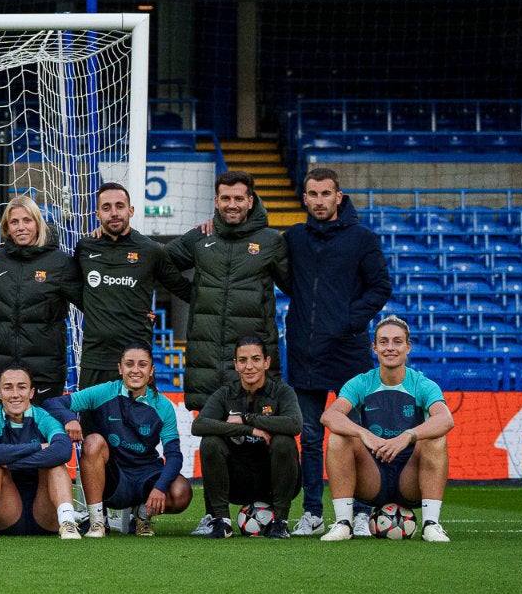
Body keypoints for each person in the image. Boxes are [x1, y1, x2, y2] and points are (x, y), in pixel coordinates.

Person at [280, 167, 391, 535]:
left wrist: (348, 320)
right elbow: (284, 279)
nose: (319, 201)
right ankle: (312, 512)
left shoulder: (363, 239)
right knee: (310, 438)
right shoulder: (293, 238)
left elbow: (380, 287)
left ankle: (360, 511)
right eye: (312, 194)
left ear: (338, 197)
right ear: (305, 198)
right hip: (304, 352)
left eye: (326, 194)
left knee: (357, 433)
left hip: (348, 353)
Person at [318, 317, 452, 543]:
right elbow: (329, 415)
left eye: (397, 342)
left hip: (410, 480)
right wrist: (364, 433)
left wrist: (408, 436)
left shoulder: (422, 383)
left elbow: (446, 419)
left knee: (436, 439)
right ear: (375, 347)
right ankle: (343, 523)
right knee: (338, 438)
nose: (390, 347)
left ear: (408, 347)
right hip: (373, 477)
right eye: (384, 342)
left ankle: (431, 524)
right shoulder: (361, 382)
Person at [166, 169, 290, 409]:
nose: (231, 205)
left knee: (258, 442)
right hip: (207, 371)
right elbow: (159, 261)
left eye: (238, 198)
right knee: (212, 444)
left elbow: (295, 286)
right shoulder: (201, 237)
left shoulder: (271, 241)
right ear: (216, 201)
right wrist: (191, 293)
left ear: (250, 201)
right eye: (225, 198)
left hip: (252, 372)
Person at [59, 347, 193, 539]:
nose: (136, 370)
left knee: (181, 492)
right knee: (93, 441)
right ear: (120, 368)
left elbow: (174, 455)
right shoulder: (105, 391)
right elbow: (55, 404)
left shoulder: (163, 406)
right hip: (112, 478)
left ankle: (142, 514)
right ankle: (97, 521)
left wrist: (160, 486)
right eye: (129, 364)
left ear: (152, 371)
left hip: (146, 475)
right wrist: (68, 419)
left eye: (142, 365)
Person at [69, 181, 188, 387]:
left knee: (139, 419)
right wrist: (98, 308)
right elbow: (75, 290)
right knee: (89, 420)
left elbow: (183, 289)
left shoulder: (151, 250)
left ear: (131, 210)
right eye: (106, 208)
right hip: (95, 358)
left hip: (136, 361)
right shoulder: (85, 248)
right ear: (97, 215)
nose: (114, 213)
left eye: (120, 206)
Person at [190, 336, 302, 540]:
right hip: (238, 482)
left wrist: (247, 419)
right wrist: (248, 431)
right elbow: (199, 425)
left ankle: (281, 523)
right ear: (235, 364)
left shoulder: (282, 392)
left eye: (256, 359)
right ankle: (221, 522)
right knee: (210, 442)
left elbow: (294, 424)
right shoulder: (225, 394)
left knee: (284, 442)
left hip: (273, 481)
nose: (249, 366)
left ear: (266, 362)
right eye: (242, 360)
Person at [0, 368, 77, 540]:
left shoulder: (44, 417)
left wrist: (10, 463)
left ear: (31, 392)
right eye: (8, 387)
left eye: (22, 387)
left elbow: (62, 450)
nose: (15, 394)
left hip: (45, 513)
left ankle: (68, 523)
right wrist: (37, 448)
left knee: (56, 466)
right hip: (7, 514)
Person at [0, 194, 77, 403]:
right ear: (6, 227)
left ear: (38, 223)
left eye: (27, 220)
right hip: (3, 370)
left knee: (44, 432)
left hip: (45, 371)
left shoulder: (60, 263)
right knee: (6, 434)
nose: (21, 227)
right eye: (14, 222)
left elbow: (90, 302)